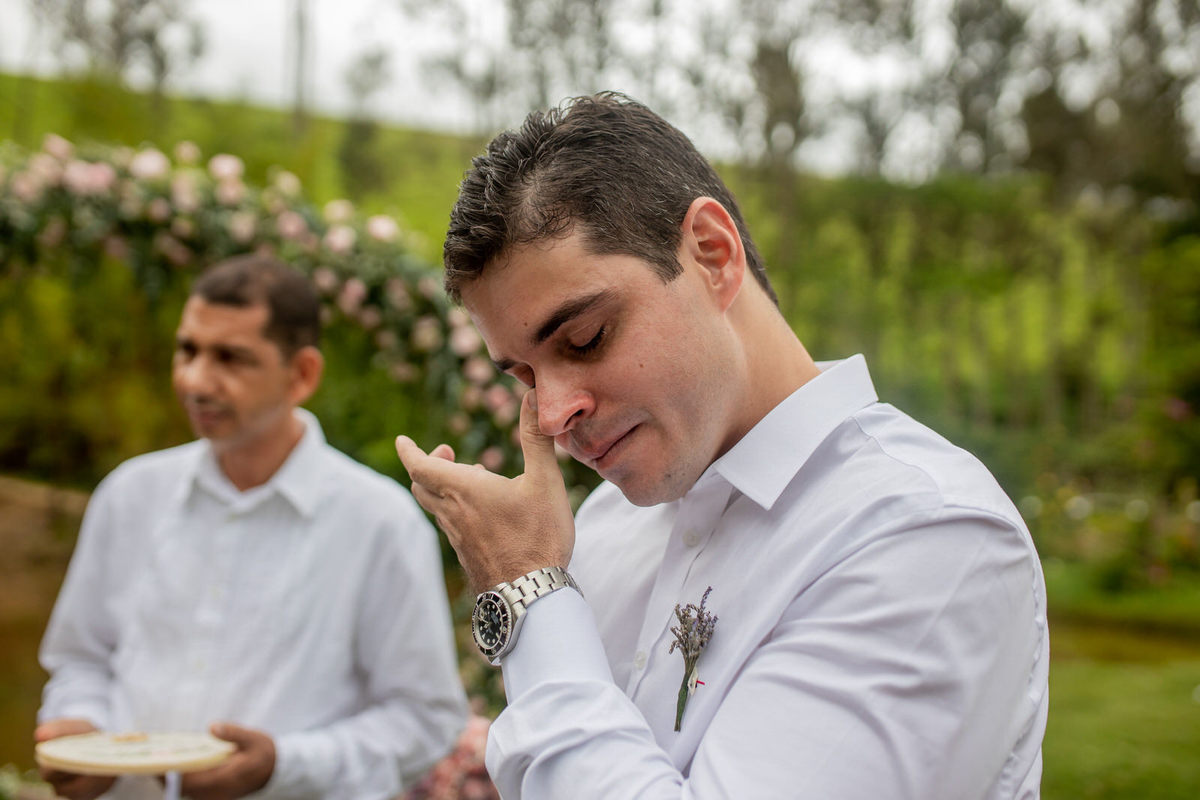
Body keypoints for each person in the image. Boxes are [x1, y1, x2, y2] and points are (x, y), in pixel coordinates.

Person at [395, 92, 1049, 799]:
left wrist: (526, 592)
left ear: (712, 254)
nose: (551, 414)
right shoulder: (607, 527)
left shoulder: (928, 535)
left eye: (584, 339)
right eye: (523, 374)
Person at [38, 254, 469, 800]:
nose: (195, 379)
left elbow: (424, 719)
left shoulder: (379, 522)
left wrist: (282, 766)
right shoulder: (129, 496)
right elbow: (81, 659)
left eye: (230, 358)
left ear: (302, 374)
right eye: (187, 349)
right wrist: (81, 728)